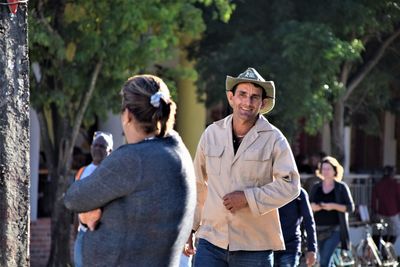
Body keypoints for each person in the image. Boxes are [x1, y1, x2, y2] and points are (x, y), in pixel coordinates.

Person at [64, 74, 196, 267]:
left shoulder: (133, 158)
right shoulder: (178, 149)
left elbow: (73, 198)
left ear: (127, 115)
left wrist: (92, 212)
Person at [185, 67, 300, 267]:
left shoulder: (274, 139)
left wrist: (248, 198)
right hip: (211, 241)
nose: (247, 102)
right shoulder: (211, 133)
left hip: (254, 247)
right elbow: (198, 185)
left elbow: (290, 185)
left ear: (262, 103)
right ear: (231, 98)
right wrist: (191, 227)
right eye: (242, 95)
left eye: (254, 97)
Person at [73, 131, 113, 267]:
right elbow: (76, 205)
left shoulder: (112, 174)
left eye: (102, 146)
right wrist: (75, 232)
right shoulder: (82, 172)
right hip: (83, 234)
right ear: (90, 147)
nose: (98, 149)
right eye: (96, 145)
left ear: (110, 151)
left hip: (104, 235)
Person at [309, 156, 355, 267]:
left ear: (335, 170)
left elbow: (350, 207)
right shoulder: (316, 187)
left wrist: (333, 206)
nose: (326, 171)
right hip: (319, 230)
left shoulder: (341, 187)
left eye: (328, 169)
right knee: (326, 261)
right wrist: (314, 207)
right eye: (323, 169)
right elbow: (309, 205)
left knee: (324, 260)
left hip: (336, 230)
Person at [273, 188, 317, 267]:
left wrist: (312, 249)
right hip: (269, 247)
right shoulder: (268, 190)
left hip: (290, 246)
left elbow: (308, 221)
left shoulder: (299, 193)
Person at [371, 165, 400, 243]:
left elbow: (373, 200)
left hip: (380, 212)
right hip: (393, 213)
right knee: (394, 232)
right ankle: (388, 248)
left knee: (379, 233)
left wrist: (374, 211)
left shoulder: (378, 185)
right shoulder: (395, 185)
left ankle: (380, 250)